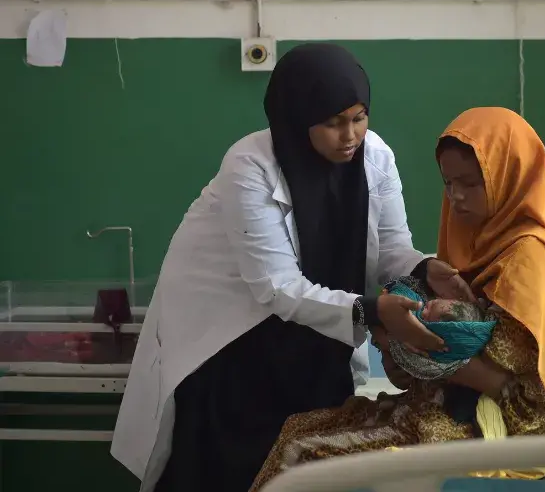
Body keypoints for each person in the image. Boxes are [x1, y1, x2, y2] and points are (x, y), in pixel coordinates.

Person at [109, 43, 473, 492]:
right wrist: (375, 313)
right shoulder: (250, 166)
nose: (350, 135)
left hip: (318, 344)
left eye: (359, 117)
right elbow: (275, 286)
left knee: (309, 466)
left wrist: (426, 267)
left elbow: (393, 250)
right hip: (236, 347)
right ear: (297, 120)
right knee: (229, 469)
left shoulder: (375, 157)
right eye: (333, 123)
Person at [249, 107, 545, 490]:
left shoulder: (530, 263)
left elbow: (513, 389)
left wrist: (408, 344)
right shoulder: (472, 242)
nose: (456, 197)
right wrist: (398, 354)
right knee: (296, 429)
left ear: (510, 175)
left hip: (500, 429)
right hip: (446, 408)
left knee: (307, 455)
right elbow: (438, 359)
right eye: (448, 183)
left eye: (471, 183)